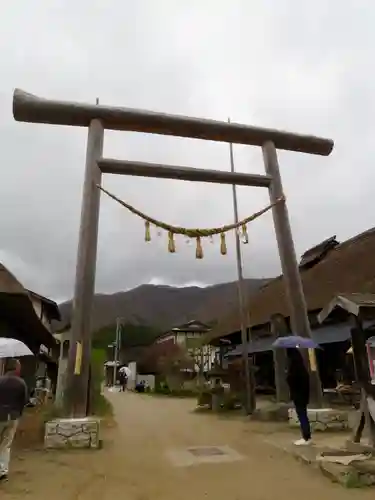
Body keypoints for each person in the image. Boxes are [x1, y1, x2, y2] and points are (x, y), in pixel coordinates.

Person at [0, 359, 28, 481]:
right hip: (13, 416)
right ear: (16, 368)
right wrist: (19, 413)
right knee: (6, 444)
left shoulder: (0, 381)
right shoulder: (21, 383)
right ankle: (2, 470)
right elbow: (24, 401)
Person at [286, 348, 312, 446]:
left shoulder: (295, 369)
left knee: (302, 416)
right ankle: (307, 436)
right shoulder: (302, 369)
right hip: (303, 396)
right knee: (303, 416)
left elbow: (292, 381)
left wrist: (288, 377)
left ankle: (306, 437)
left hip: (299, 396)